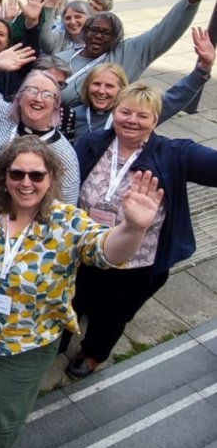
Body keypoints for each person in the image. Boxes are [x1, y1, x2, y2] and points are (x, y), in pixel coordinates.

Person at [0, 135, 165, 448]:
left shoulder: (66, 222)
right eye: (17, 174)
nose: (26, 182)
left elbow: (105, 251)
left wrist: (133, 229)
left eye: (36, 175)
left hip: (24, 340)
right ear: (4, 176)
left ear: (51, 178)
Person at [66, 80, 217, 379]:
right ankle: (64, 335)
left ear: (155, 120)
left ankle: (93, 353)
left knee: (113, 314)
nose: (132, 120)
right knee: (76, 297)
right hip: (85, 252)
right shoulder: (92, 142)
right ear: (115, 111)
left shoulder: (174, 153)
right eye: (126, 112)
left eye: (142, 115)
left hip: (135, 263)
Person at [56, 0, 215, 107]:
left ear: (116, 38)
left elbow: (164, 31)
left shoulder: (129, 53)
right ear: (85, 32)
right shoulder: (61, 59)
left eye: (106, 33)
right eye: (94, 30)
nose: (98, 36)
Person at [0, 44, 81, 203]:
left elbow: (68, 209)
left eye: (47, 94)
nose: (38, 99)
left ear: (56, 104)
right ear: (19, 95)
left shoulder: (64, 153)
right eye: (32, 90)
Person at [73, 29, 213, 140]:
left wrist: (202, 69)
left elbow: (176, 97)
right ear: (87, 87)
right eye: (96, 84)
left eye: (109, 86)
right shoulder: (73, 115)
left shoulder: (137, 112)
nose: (101, 91)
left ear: (121, 89)